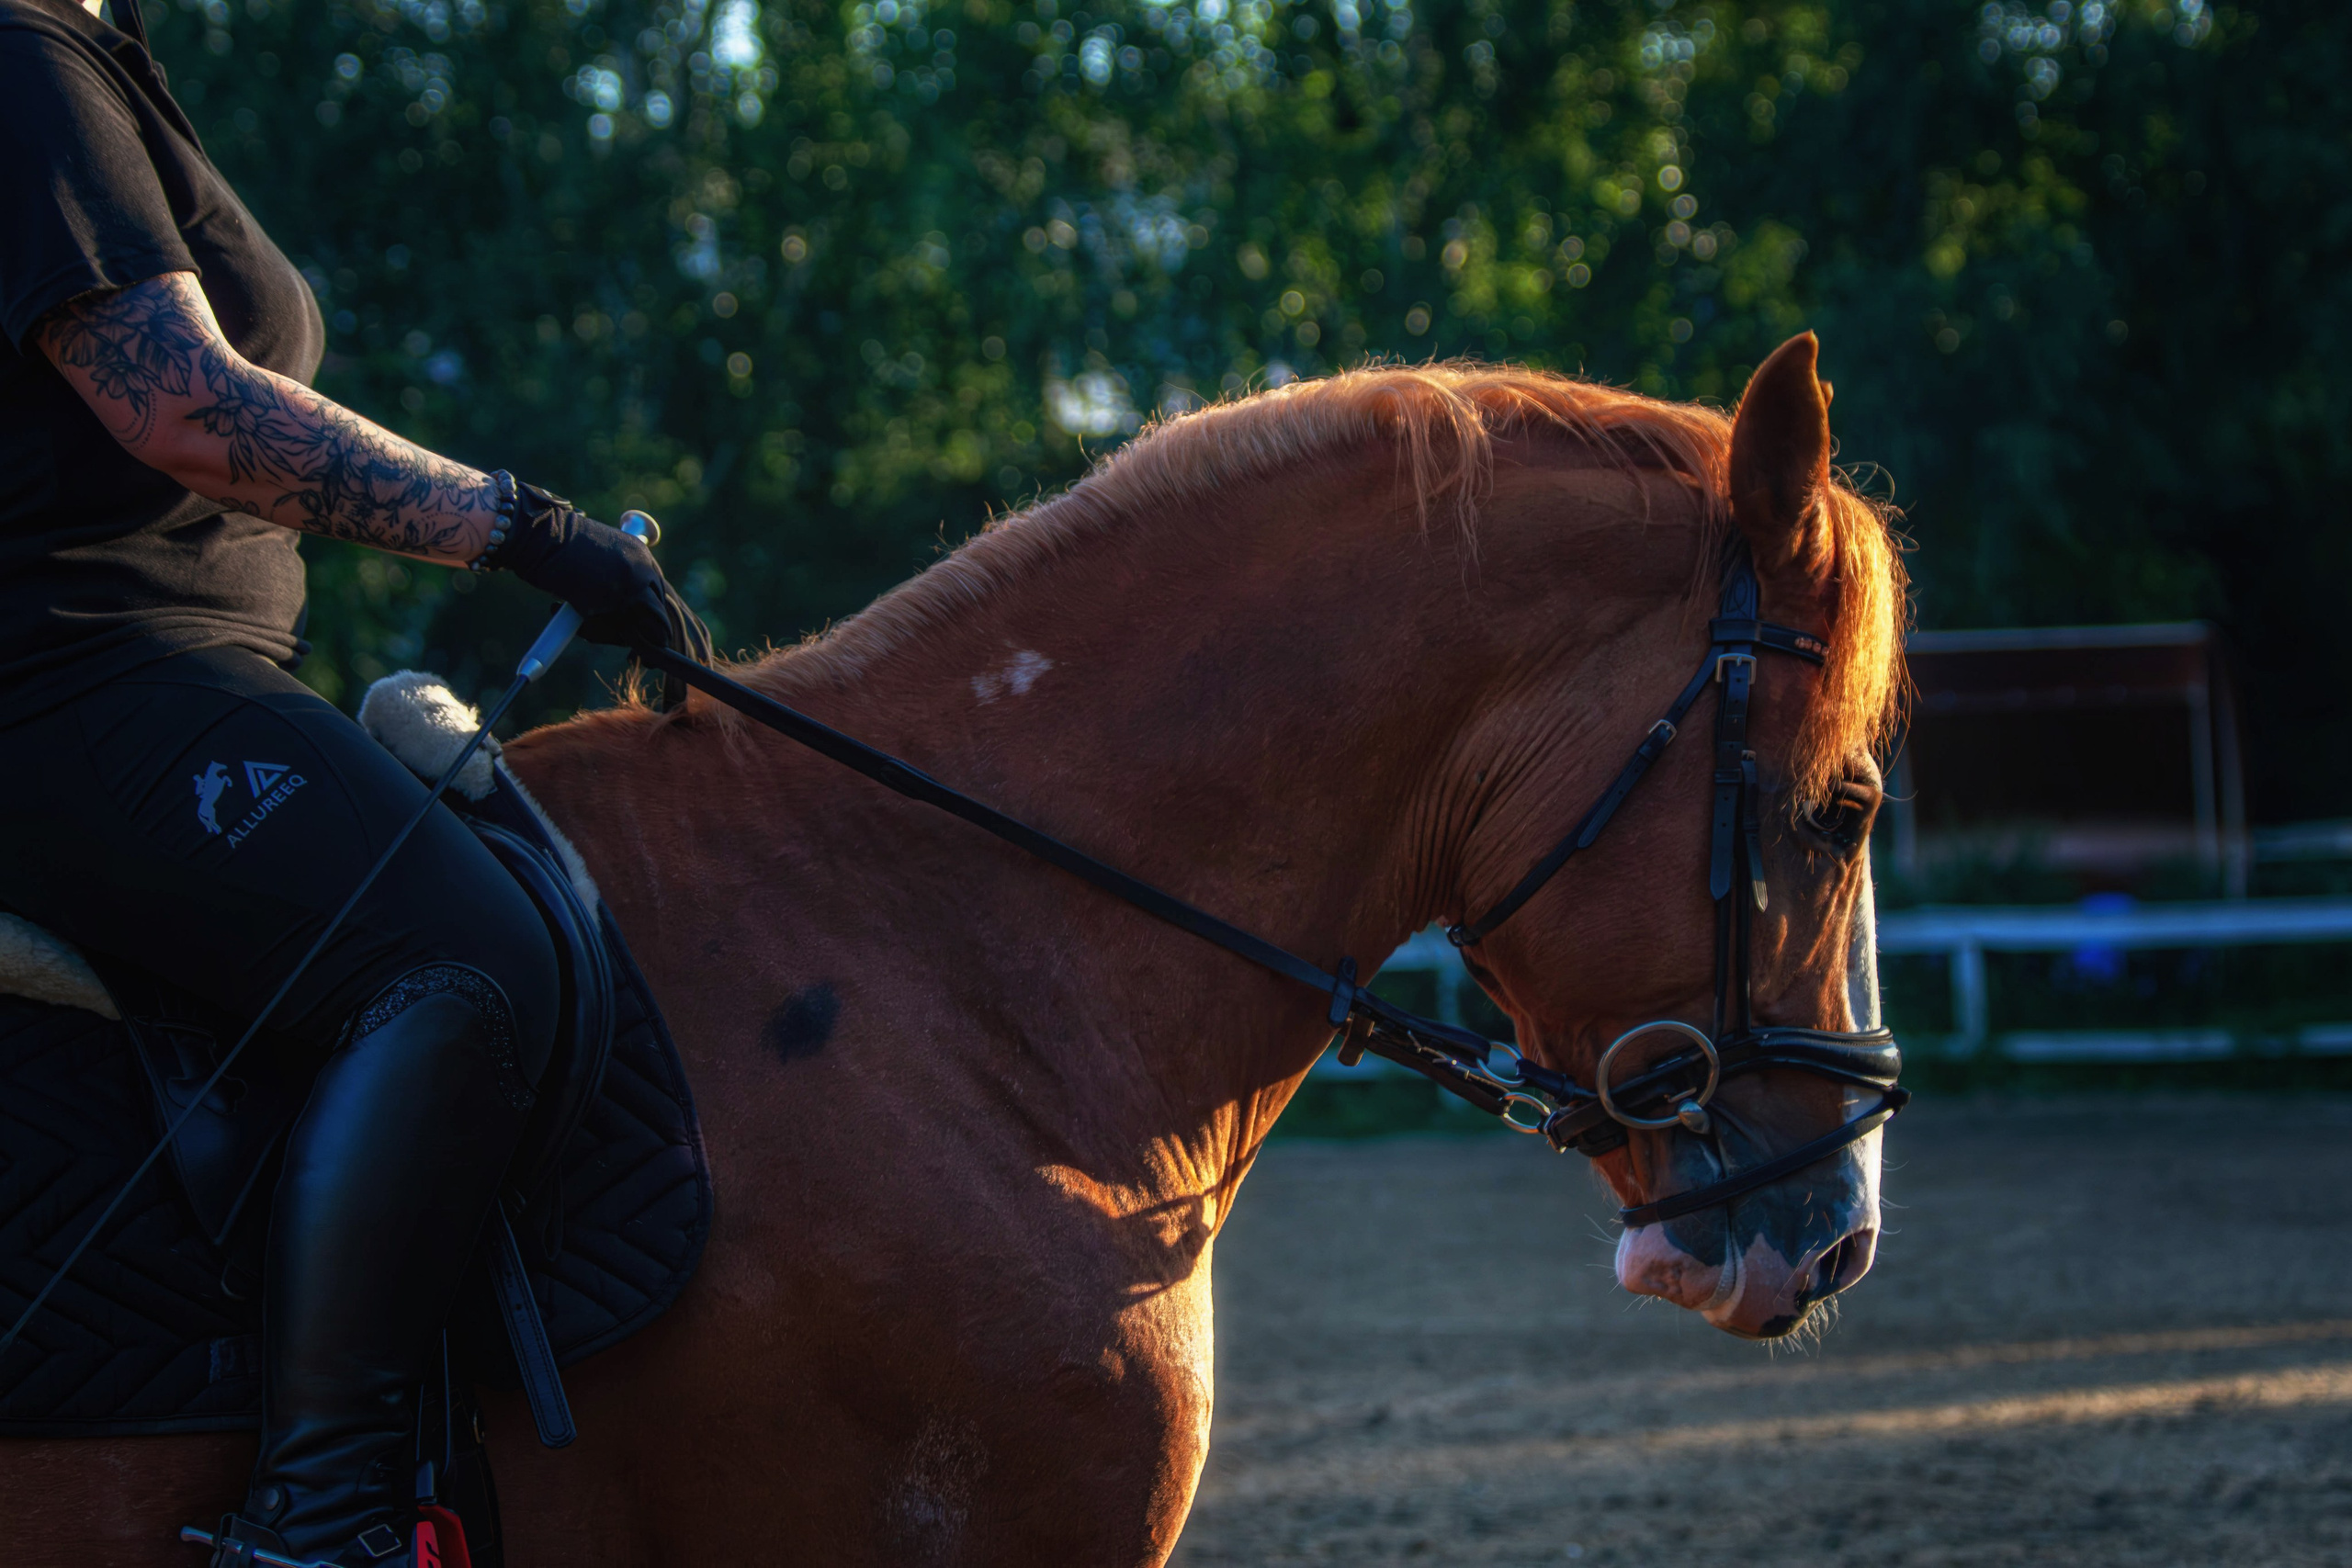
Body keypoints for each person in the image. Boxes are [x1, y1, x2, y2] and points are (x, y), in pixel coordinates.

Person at [0, 0, 708, 1560]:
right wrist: (525, 527)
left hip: (170, 675)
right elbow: (180, 405)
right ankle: (321, 1524)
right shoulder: (20, 57)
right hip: (66, 685)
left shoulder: (100, 64)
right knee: (464, 957)